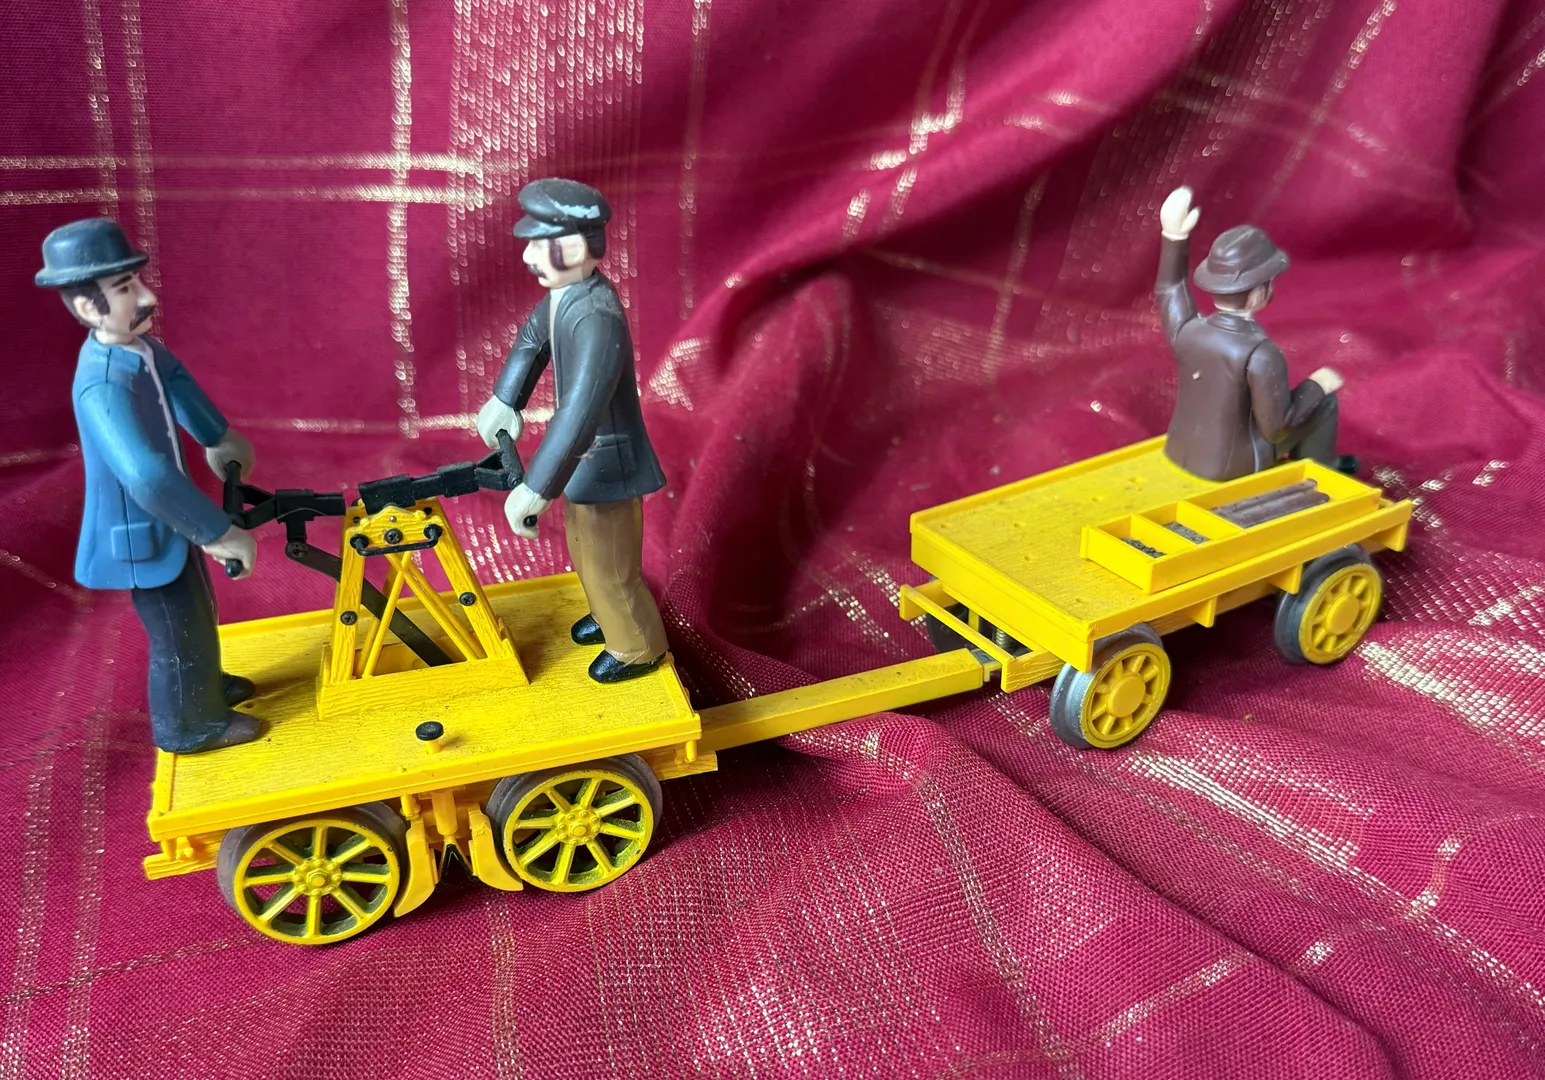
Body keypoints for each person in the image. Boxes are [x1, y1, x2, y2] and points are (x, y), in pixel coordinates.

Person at [37, 218, 264, 753]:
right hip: (142, 530)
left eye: (136, 281)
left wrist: (216, 436)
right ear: (87, 306)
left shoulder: (141, 351)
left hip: (170, 519)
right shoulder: (102, 384)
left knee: (199, 612)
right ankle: (190, 724)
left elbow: (179, 383)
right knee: (178, 628)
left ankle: (203, 687)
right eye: (125, 289)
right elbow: (145, 476)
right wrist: (217, 531)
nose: (146, 296)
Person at [475, 178, 670, 684]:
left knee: (610, 565)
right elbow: (531, 341)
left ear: (577, 248)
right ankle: (609, 618)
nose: (528, 257)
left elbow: (580, 410)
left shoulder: (597, 317)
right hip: (584, 463)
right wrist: (506, 398)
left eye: (540, 245)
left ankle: (637, 646)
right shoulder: (566, 297)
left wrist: (535, 487)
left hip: (609, 463)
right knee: (584, 551)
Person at [1155, 186, 1352, 483]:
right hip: (1235, 465)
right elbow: (1277, 427)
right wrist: (1316, 386)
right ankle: (1323, 471)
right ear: (1258, 292)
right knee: (1324, 403)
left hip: (1180, 450)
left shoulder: (1188, 330)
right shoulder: (1260, 353)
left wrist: (1174, 236)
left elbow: (1169, 290)